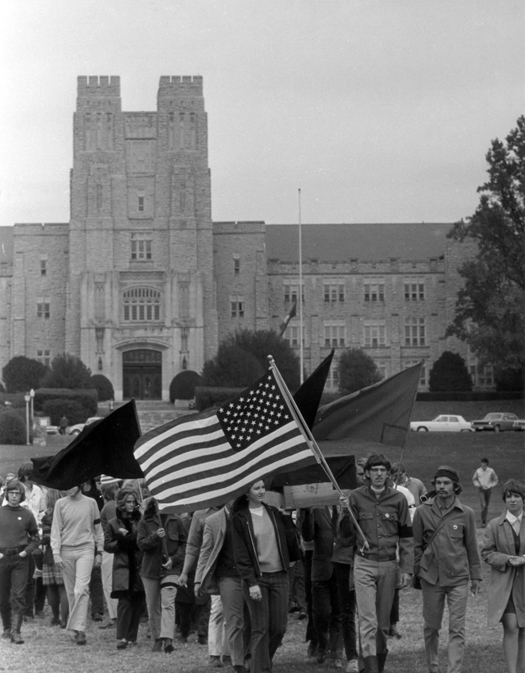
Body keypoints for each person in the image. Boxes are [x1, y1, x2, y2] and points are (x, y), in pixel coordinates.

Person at [342, 454, 413, 673]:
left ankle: (377, 667)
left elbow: (407, 537)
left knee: (382, 626)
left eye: (383, 470)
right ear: (367, 474)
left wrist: (407, 569)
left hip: (389, 565)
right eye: (375, 470)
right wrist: (344, 512)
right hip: (364, 564)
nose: (379, 474)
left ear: (389, 473)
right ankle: (370, 670)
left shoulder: (399, 499)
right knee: (368, 622)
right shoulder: (355, 497)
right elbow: (344, 536)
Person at [413, 465, 482, 673]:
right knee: (432, 627)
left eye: (446, 483)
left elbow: (471, 546)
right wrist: (417, 571)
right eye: (438, 483)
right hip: (431, 577)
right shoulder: (422, 511)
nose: (442, 487)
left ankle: (454, 670)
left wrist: (476, 576)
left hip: (458, 578)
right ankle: (433, 668)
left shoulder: (466, 513)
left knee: (457, 628)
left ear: (455, 487)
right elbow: (415, 545)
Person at [233, 478, 301, 673]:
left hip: (280, 576)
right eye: (257, 488)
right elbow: (241, 554)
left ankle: (260, 663)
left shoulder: (273, 513)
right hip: (257, 579)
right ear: (247, 493)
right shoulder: (240, 518)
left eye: (263, 487)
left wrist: (287, 517)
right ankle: (260, 668)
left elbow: (291, 545)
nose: (261, 491)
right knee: (260, 629)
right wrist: (251, 582)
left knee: (279, 628)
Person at [195, 501, 249, 672]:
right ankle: (231, 660)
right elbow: (205, 551)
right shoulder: (212, 520)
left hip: (249, 575)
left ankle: (245, 655)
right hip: (225, 575)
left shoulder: (249, 515)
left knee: (250, 619)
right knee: (228, 617)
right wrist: (198, 579)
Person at [50, 485, 104, 645]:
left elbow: (98, 529)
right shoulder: (60, 504)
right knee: (72, 591)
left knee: (82, 588)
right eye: (67, 485)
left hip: (86, 548)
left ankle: (79, 629)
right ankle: (74, 628)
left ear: (80, 485)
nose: (69, 488)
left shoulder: (91, 502)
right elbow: (56, 529)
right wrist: (56, 553)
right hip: (65, 550)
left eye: (72, 484)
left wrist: (99, 551)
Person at [481, 479, 525, 673]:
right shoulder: (494, 525)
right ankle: (512, 671)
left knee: (523, 628)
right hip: (505, 585)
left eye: (516, 496)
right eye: (509, 496)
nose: (512, 500)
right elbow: (487, 553)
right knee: (512, 626)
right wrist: (507, 559)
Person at [137, 498, 187, 653]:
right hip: (150, 570)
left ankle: (168, 640)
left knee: (168, 602)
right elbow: (141, 544)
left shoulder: (176, 521)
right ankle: (157, 639)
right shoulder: (145, 521)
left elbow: (185, 544)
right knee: (153, 606)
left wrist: (174, 559)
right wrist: (155, 537)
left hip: (170, 570)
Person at [104, 486, 144, 649]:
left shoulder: (141, 521)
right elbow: (107, 545)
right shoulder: (113, 524)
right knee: (124, 603)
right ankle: (122, 637)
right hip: (123, 567)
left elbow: (143, 540)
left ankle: (132, 637)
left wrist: (131, 537)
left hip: (139, 566)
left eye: (133, 502)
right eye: (128, 502)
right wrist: (121, 540)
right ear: (121, 503)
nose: (131, 505)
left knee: (137, 602)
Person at [0, 479, 39, 643]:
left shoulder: (27, 514)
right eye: (12, 493)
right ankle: (7, 628)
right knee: (3, 596)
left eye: (18, 493)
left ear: (21, 495)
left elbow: (35, 538)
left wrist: (26, 552)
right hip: (2, 558)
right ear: (6, 494)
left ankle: (16, 632)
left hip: (20, 559)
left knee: (18, 595)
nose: (15, 496)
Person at [41, 489, 69, 628]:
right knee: (64, 587)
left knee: (51, 587)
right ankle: (65, 620)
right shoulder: (66, 511)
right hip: (64, 552)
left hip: (49, 555)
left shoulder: (47, 516)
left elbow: (46, 538)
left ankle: (55, 617)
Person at [99, 479, 120, 629]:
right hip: (112, 547)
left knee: (109, 583)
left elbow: (116, 528)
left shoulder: (109, 506)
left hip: (111, 549)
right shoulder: (112, 506)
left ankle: (115, 616)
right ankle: (115, 615)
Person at [473, 458, 499, 527]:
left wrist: (491, 485)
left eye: (483, 463)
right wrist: (478, 485)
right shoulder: (478, 471)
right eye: (481, 463)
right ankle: (483, 522)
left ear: (486, 463)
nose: (482, 464)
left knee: (486, 506)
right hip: (481, 490)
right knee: (483, 505)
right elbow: (474, 479)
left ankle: (484, 520)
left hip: (488, 490)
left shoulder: (491, 471)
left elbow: (495, 479)